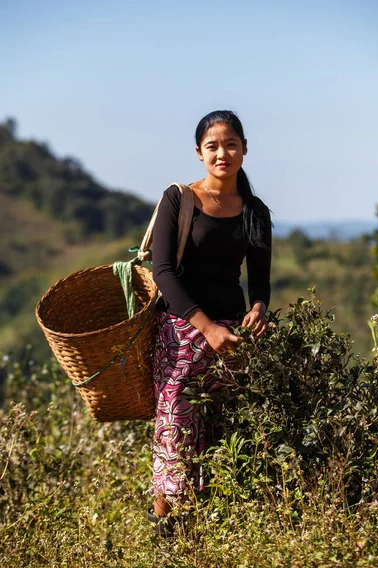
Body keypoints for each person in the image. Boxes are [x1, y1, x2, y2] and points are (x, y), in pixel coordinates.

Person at [150, 110, 272, 528]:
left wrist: (257, 311)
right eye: (213, 146)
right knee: (175, 438)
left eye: (231, 144)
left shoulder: (255, 210)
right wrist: (207, 327)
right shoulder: (179, 199)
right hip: (182, 338)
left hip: (232, 343)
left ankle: (211, 538)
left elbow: (260, 284)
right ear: (199, 153)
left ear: (244, 149)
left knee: (223, 443)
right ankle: (165, 538)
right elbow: (162, 271)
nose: (223, 153)